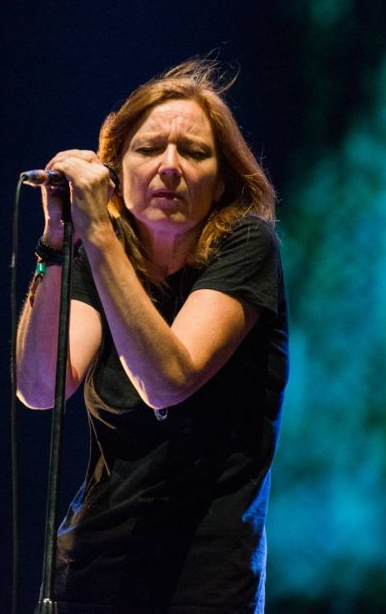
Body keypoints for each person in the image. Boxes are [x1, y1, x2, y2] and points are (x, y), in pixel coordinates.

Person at [16, 59, 288, 614]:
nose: (170, 167)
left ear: (222, 178)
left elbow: (168, 380)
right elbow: (41, 387)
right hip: (95, 568)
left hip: (205, 575)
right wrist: (55, 244)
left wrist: (96, 235)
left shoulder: (247, 247)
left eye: (193, 152)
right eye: (149, 149)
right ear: (115, 169)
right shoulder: (99, 254)